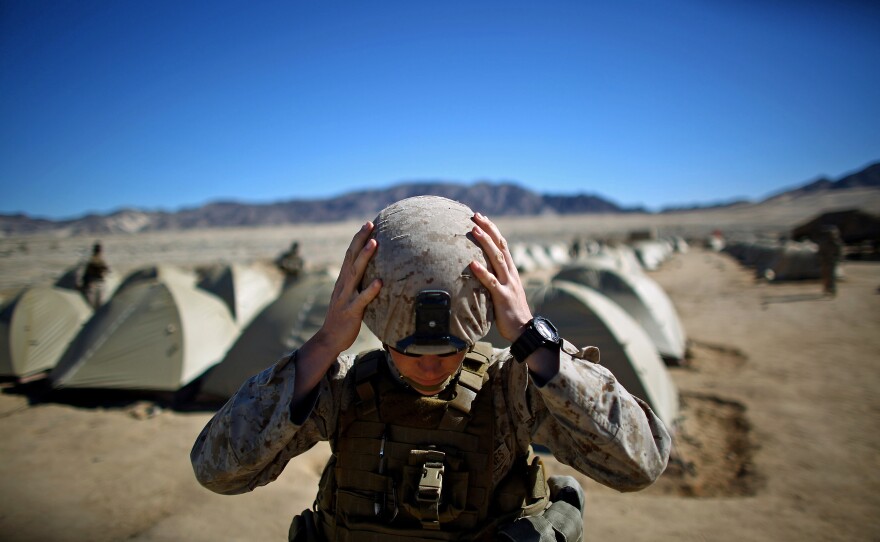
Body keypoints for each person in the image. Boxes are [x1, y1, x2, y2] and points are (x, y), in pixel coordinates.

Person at [191, 196, 671, 541]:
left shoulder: (512, 390)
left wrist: (532, 338)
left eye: (450, 349)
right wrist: (324, 344)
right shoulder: (342, 392)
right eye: (408, 350)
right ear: (376, 326)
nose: (429, 367)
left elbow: (640, 463)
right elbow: (219, 470)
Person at [80, 242, 110, 309]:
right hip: (93, 282)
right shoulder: (95, 259)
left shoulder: (96, 259)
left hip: (95, 282)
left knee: (95, 302)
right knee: (95, 303)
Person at [817, 225, 843, 296]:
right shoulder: (824, 243)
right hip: (825, 261)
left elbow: (839, 253)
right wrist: (821, 259)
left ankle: (832, 289)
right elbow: (820, 252)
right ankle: (826, 288)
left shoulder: (836, 243)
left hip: (832, 262)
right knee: (826, 276)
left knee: (831, 276)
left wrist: (839, 260)